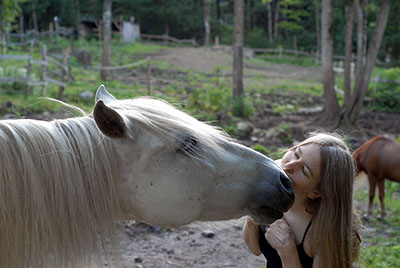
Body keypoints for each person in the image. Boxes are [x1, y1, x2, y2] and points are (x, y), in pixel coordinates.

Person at [242, 132, 362, 268]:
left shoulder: (323, 232)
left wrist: (287, 251)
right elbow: (255, 249)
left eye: (304, 170)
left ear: (316, 192)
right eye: (296, 153)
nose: (288, 166)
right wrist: (252, 221)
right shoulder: (272, 192)